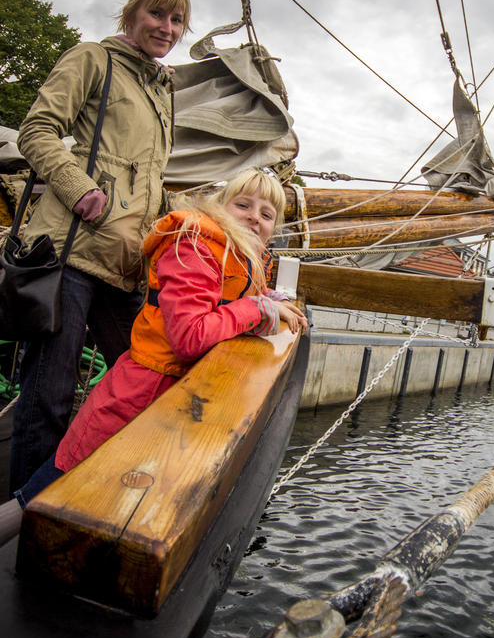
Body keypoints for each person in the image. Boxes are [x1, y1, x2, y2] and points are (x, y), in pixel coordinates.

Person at [0, 168, 308, 544]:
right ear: (220, 207)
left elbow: (227, 299)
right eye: (243, 205)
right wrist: (258, 310)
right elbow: (189, 336)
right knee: (43, 493)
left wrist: (267, 301)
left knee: (89, 497)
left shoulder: (239, 254)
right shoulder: (193, 245)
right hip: (136, 399)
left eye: (266, 214)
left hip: (165, 404)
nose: (254, 218)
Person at [9, 0, 191, 492]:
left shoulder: (162, 90)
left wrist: (182, 222)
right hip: (71, 254)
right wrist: (79, 187)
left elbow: (147, 177)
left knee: (149, 376)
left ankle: (100, 491)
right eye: (158, 15)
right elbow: (36, 130)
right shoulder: (93, 59)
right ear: (131, 15)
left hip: (125, 263)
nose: (168, 28)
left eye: (177, 20)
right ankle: (30, 517)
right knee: (49, 395)